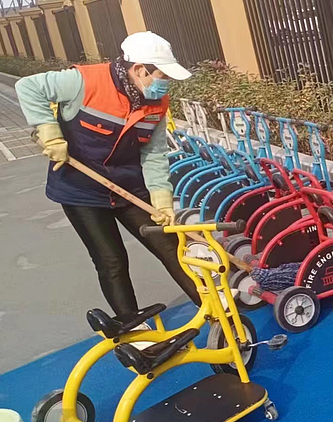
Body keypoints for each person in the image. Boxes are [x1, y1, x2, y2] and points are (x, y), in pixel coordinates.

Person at [16, 31, 202, 320]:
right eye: (163, 75)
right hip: (81, 190)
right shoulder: (84, 81)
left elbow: (153, 154)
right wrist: (50, 133)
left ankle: (214, 310)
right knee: (111, 260)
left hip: (129, 186)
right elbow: (28, 86)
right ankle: (133, 327)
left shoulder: (157, 103)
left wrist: (161, 198)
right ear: (139, 69)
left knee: (170, 246)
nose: (166, 84)